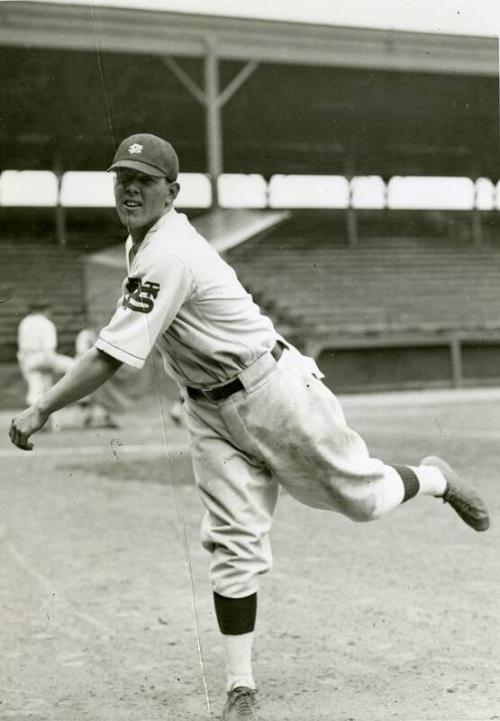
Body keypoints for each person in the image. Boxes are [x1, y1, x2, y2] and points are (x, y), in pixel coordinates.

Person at [9, 134, 490, 721]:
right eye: (121, 179)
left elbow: (110, 358)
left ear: (172, 192)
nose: (130, 189)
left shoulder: (168, 252)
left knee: (364, 500)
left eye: (144, 181)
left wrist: (41, 408)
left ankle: (434, 479)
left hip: (273, 390)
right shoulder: (142, 247)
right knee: (232, 542)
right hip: (207, 409)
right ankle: (241, 687)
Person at [16, 303, 74, 427]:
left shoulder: (25, 322)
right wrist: (51, 362)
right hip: (43, 357)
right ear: (45, 310)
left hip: (27, 359)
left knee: (37, 389)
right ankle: (83, 400)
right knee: (74, 366)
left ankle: (36, 422)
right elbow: (49, 348)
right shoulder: (46, 323)